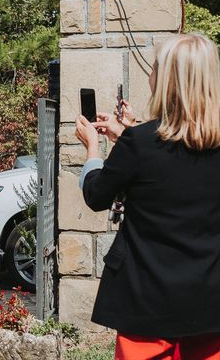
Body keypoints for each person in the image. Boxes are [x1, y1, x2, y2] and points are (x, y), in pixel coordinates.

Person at [75, 33, 220, 360]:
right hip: (211, 301)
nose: (150, 75)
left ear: (169, 81)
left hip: (146, 299)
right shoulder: (138, 141)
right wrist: (126, 134)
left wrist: (93, 150)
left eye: (155, 68)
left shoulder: (140, 143)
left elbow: (97, 195)